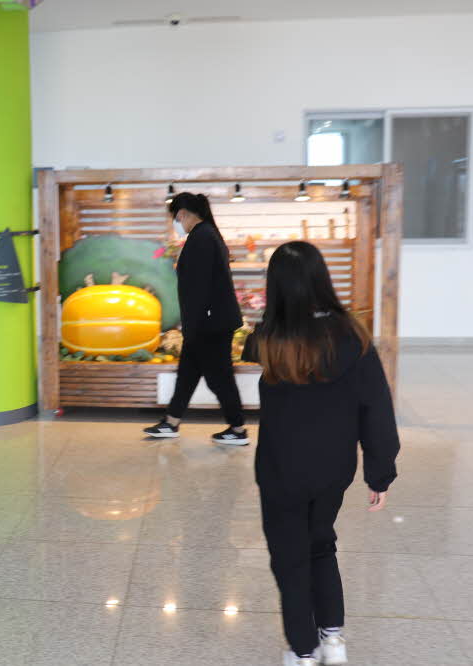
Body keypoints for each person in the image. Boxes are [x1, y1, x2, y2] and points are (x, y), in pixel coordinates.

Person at [245, 241, 400, 666]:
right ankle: (332, 640)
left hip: (281, 471)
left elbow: (246, 348)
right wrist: (380, 473)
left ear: (276, 286)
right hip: (333, 468)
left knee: (289, 559)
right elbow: (376, 407)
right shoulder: (353, 335)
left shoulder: (271, 337)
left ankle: (303, 651)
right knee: (320, 545)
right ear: (321, 279)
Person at [143, 192, 249, 445]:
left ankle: (238, 429)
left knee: (219, 377)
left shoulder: (202, 237)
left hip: (209, 323)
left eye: (175, 219)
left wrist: (193, 326)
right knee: (188, 373)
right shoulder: (206, 234)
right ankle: (171, 422)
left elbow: (199, 287)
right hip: (209, 320)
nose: (175, 224)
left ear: (181, 214)